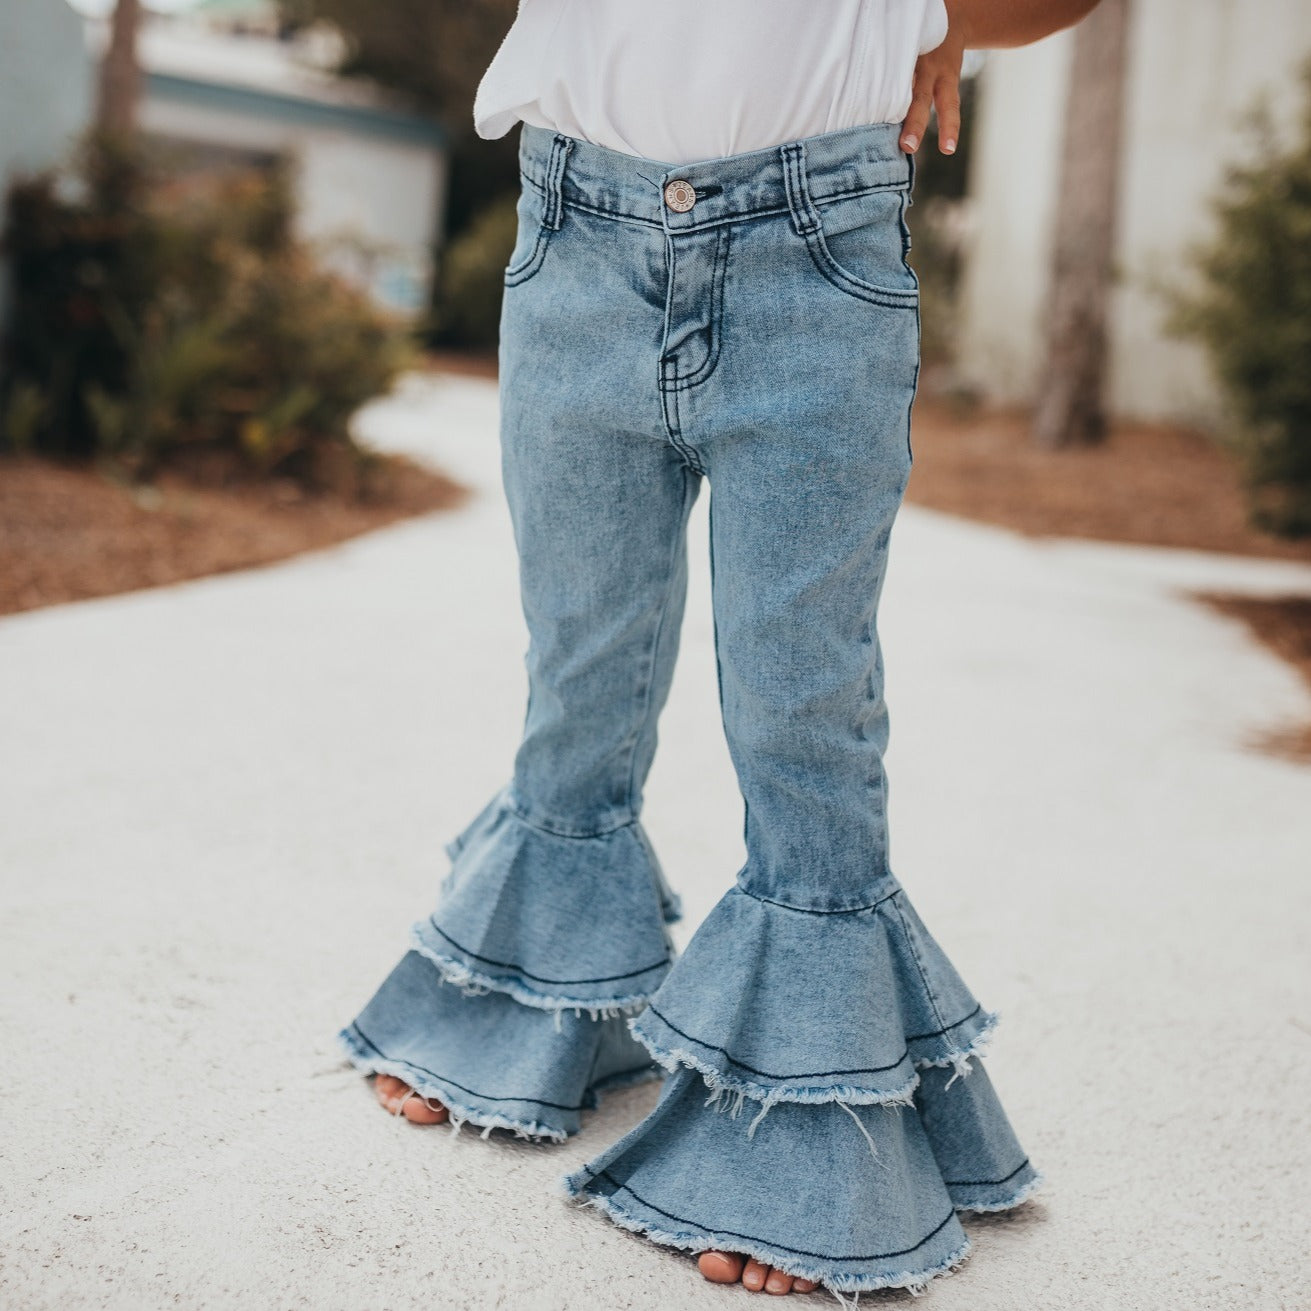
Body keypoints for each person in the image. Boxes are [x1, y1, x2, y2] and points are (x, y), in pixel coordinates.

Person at [341, 0, 1099, 1296]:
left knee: (803, 704)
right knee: (580, 669)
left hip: (816, 251)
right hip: (575, 225)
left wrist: (923, 11)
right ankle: (534, 1011)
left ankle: (804, 1136)